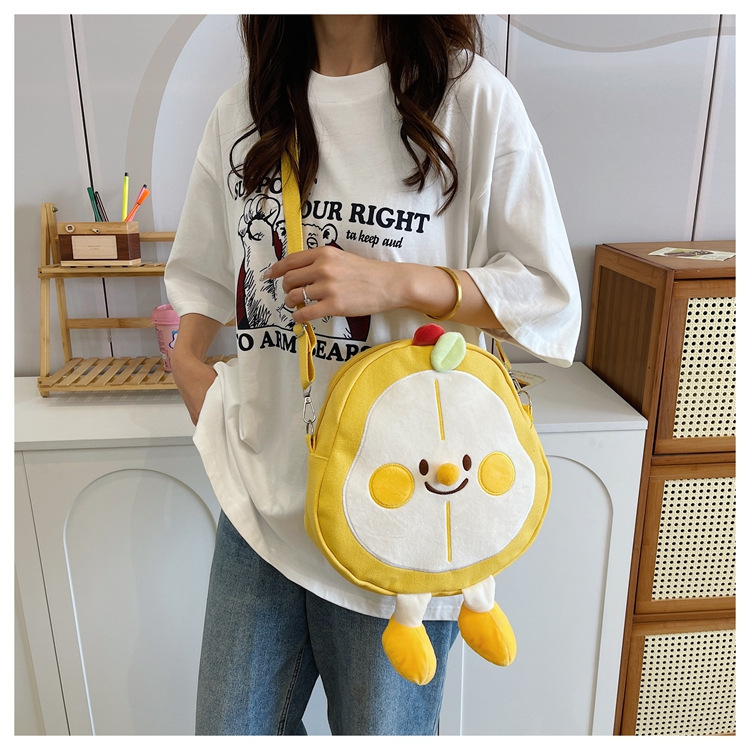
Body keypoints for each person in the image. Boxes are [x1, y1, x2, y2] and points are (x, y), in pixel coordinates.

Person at [164, 14, 580, 736]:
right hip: (262, 498)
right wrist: (187, 365)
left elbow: (547, 297)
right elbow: (201, 270)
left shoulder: (469, 99)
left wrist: (394, 283)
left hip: (402, 512)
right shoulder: (245, 109)